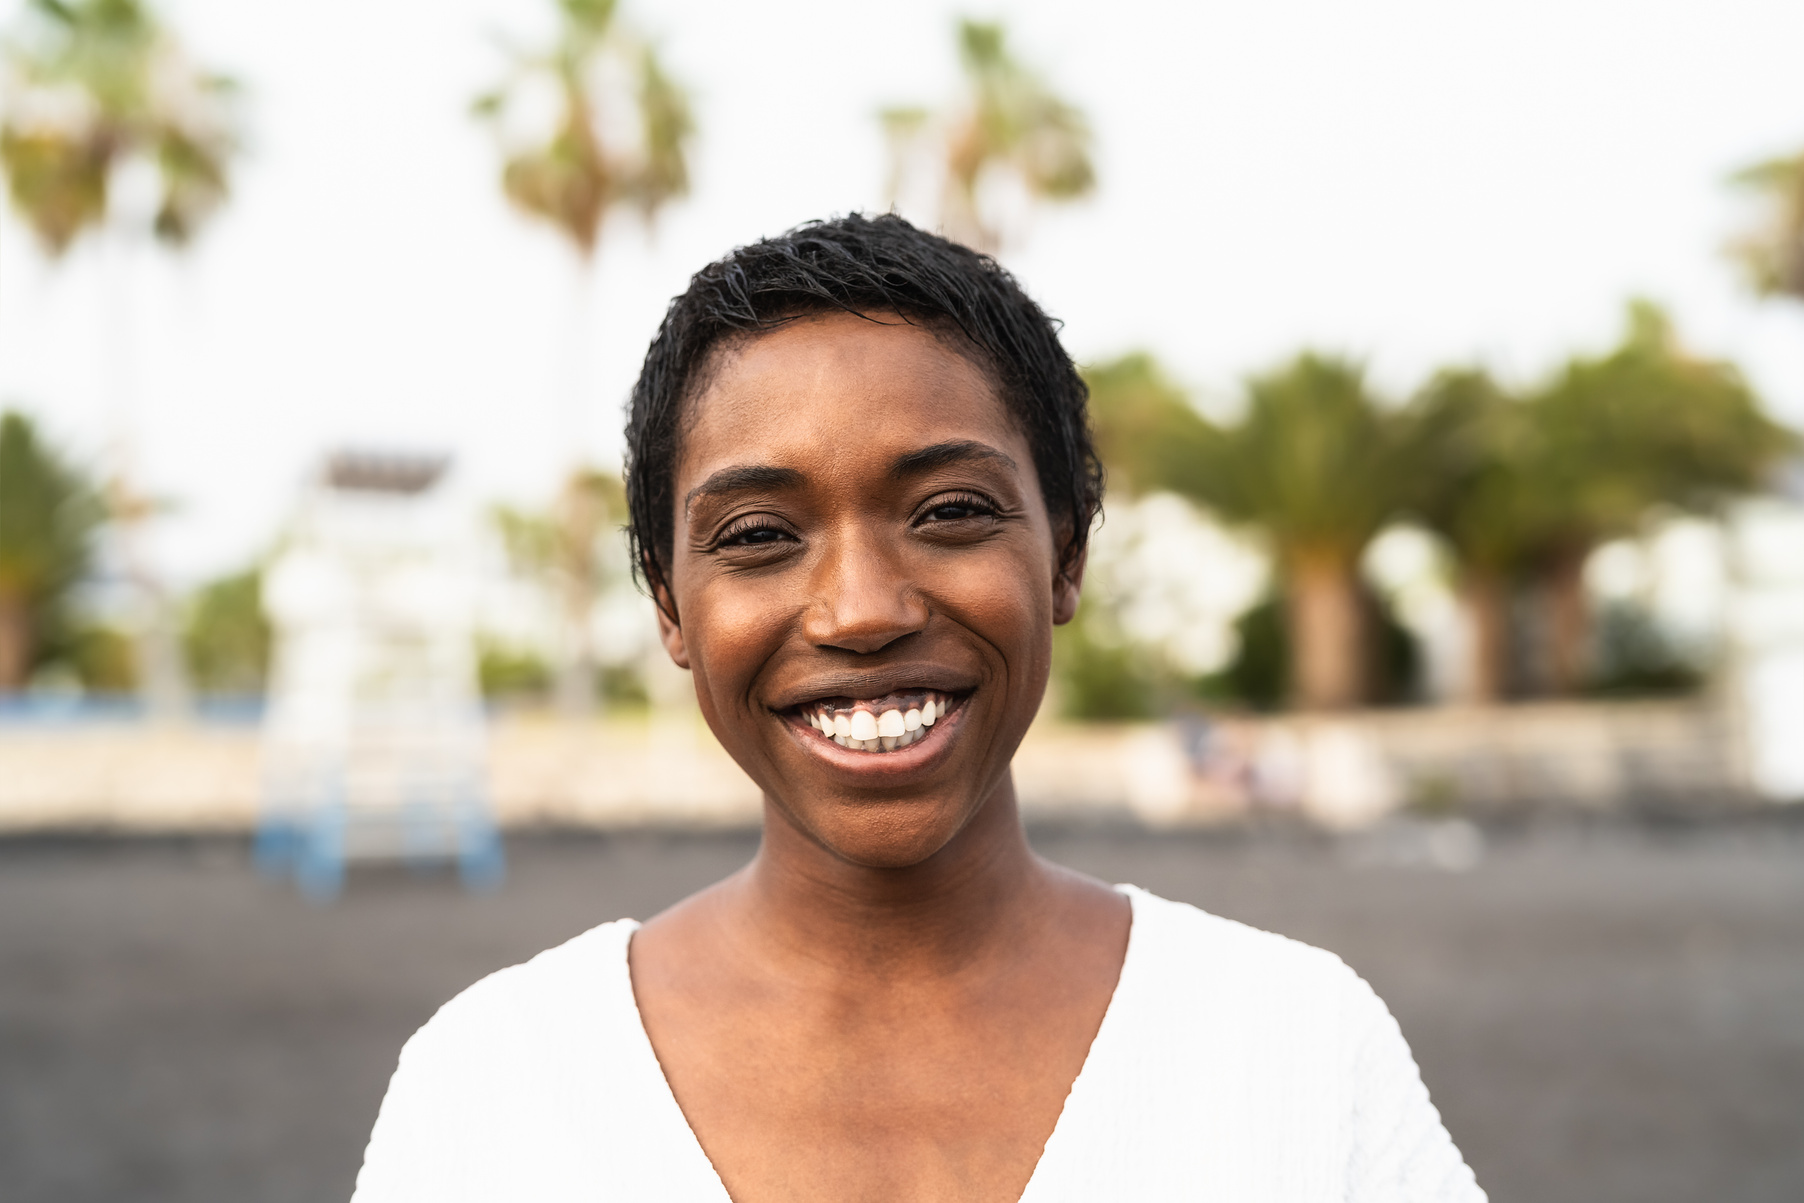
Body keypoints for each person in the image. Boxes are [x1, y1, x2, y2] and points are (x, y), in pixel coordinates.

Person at [350, 214, 1486, 1202]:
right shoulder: (495, 1082)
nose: (859, 611)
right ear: (669, 606)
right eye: (757, 536)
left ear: (1066, 554)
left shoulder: (1290, 1047)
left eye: (948, 511)